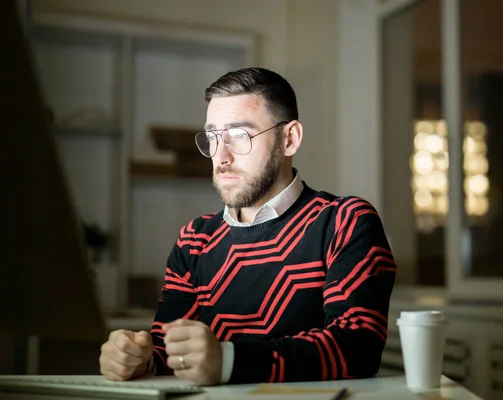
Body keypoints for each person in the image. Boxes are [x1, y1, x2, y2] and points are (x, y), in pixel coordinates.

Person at [99, 67, 397, 385]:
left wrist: (229, 361)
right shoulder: (194, 239)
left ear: (289, 139)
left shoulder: (343, 222)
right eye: (213, 137)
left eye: (240, 135)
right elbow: (169, 352)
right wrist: (139, 358)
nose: (221, 156)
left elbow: (358, 347)